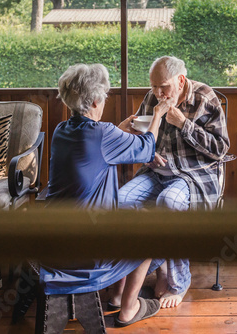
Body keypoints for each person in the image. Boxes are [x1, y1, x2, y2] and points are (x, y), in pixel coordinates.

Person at [42, 63, 167, 328]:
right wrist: (158, 114)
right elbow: (147, 147)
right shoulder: (103, 134)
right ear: (97, 100)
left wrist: (119, 129)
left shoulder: (61, 131)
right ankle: (129, 308)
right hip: (87, 249)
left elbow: (98, 146)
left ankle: (116, 295)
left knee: (128, 216)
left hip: (53, 237)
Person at [118, 56, 230, 308]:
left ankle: (179, 281)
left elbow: (220, 149)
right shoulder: (152, 98)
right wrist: (147, 152)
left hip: (195, 174)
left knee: (168, 202)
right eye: (153, 86)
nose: (158, 92)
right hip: (157, 172)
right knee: (121, 201)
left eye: (163, 86)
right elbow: (145, 138)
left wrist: (184, 124)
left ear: (180, 80)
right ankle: (158, 267)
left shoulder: (205, 97)